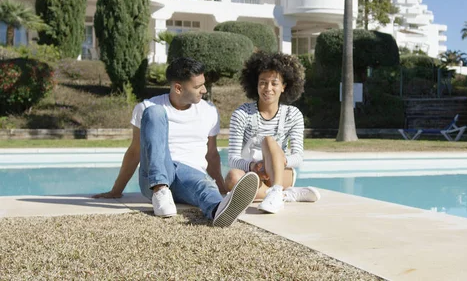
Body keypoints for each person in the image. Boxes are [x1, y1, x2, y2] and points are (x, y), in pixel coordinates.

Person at [92, 57, 259, 228]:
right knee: (154, 113)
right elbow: (135, 151)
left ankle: (219, 210)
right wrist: (116, 190)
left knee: (204, 185)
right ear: (178, 88)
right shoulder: (147, 106)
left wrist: (222, 187)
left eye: (203, 84)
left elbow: (212, 154)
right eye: (197, 86)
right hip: (153, 177)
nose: (203, 90)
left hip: (190, 176)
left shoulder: (209, 111)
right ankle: (160, 189)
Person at [225, 51, 320, 214]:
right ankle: (284, 195)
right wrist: (254, 166)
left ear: (284, 86)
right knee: (232, 178)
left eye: (274, 83)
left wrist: (278, 161)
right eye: (263, 82)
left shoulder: (293, 114)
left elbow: (298, 157)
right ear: (255, 85)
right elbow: (233, 159)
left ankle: (276, 190)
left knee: (268, 141)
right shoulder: (241, 114)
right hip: (252, 176)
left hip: (282, 174)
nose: (268, 88)